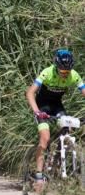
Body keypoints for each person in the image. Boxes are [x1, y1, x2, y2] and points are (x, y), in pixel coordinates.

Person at [26, 49, 85, 182]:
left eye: (67, 71)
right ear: (56, 67)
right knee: (45, 138)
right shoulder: (47, 72)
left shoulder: (74, 75)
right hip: (42, 107)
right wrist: (37, 111)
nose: (65, 74)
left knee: (67, 130)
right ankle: (39, 175)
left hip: (57, 106)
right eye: (62, 71)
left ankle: (57, 162)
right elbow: (30, 93)